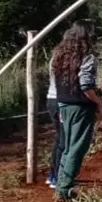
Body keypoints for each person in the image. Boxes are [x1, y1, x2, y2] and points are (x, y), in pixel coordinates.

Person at [53, 20, 102, 201]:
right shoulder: (87, 57)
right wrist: (98, 102)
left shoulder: (59, 55)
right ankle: (65, 188)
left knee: (67, 147)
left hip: (64, 105)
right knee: (77, 147)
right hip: (80, 107)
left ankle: (62, 184)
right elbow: (85, 84)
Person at [45, 55, 63, 190]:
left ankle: (53, 175)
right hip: (61, 101)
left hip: (52, 99)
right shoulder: (65, 58)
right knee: (63, 140)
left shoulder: (55, 57)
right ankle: (57, 176)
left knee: (59, 139)